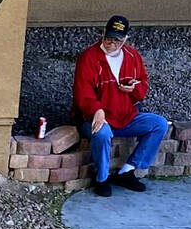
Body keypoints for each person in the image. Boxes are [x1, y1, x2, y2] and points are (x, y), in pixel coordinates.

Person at [72, 15, 170, 198]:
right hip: (94, 118)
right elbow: (82, 92)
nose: (111, 43)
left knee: (159, 124)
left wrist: (133, 88)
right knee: (102, 133)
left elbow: (142, 89)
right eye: (108, 38)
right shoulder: (88, 57)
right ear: (102, 34)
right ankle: (102, 179)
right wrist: (96, 110)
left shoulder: (133, 56)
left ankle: (127, 171)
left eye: (117, 40)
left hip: (126, 115)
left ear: (125, 39)